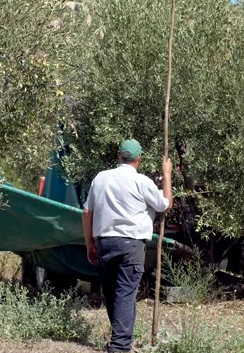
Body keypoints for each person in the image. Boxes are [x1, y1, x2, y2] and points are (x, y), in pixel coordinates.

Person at [82, 138, 173, 353]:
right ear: (139, 159)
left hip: (105, 242)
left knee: (113, 292)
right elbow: (165, 205)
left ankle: (122, 340)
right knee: (125, 293)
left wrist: (89, 244)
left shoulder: (101, 179)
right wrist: (167, 175)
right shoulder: (142, 182)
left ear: (118, 156)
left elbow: (87, 212)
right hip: (131, 246)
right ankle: (120, 346)